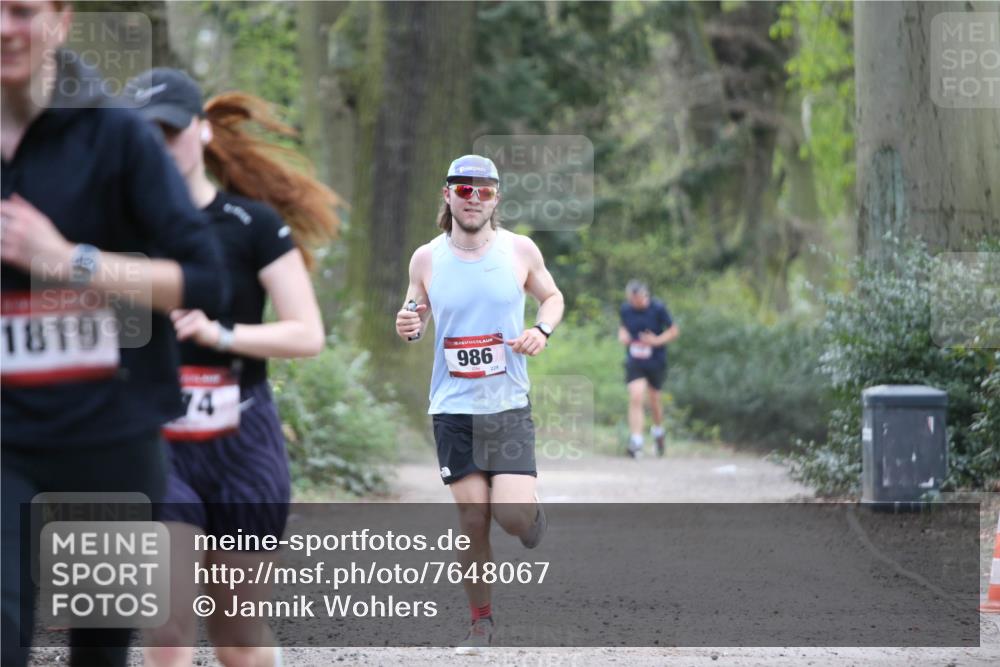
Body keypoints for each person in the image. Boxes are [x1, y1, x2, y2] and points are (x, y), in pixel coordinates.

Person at [1, 3, 228, 667]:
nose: (5, 27)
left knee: (99, 650)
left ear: (60, 21)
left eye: (21, 9)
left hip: (110, 437)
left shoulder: (118, 138)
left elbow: (204, 279)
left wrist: (69, 259)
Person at [124, 68, 342, 667]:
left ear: (201, 131)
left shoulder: (252, 224)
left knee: (237, 640)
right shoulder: (118, 227)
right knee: (167, 630)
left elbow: (307, 334)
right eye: (145, 135)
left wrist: (221, 333)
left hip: (244, 442)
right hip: (157, 445)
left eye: (171, 131)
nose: (160, 146)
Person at [395, 154, 564, 654]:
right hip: (452, 409)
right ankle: (480, 623)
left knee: (510, 517)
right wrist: (408, 324)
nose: (473, 199)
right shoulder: (426, 258)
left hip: (506, 406)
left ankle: (532, 519)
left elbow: (552, 297)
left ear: (496, 198)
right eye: (463, 190)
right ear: (447, 195)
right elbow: (413, 313)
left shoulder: (519, 250)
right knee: (472, 520)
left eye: (484, 191)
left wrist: (541, 330)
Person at [618, 280, 680, 458]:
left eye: (639, 298)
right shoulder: (626, 309)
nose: (636, 302)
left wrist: (657, 340)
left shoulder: (658, 308)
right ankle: (636, 441)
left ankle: (658, 431)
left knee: (654, 400)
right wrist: (623, 335)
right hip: (635, 360)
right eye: (632, 299)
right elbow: (623, 327)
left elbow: (674, 330)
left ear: (645, 295)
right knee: (636, 395)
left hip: (655, 360)